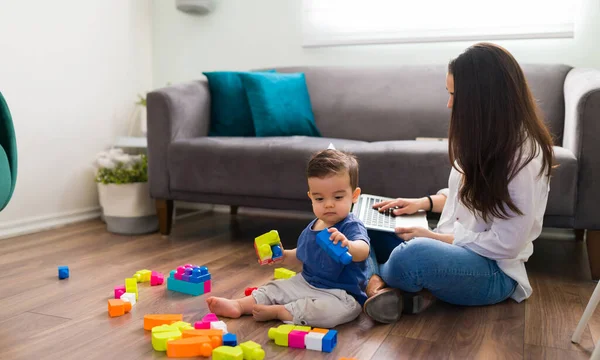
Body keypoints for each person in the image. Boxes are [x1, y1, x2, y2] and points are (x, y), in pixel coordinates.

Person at [363, 42, 555, 324]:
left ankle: (373, 283)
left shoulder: (524, 159)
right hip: (452, 243)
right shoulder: (486, 137)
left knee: (414, 255)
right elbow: (463, 198)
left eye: (455, 95)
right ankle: (391, 289)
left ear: (482, 97)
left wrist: (434, 238)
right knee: (363, 221)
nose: (449, 103)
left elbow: (507, 245)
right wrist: (422, 203)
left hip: (492, 271)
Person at [207, 149, 371, 328]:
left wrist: (348, 245)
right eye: (319, 198)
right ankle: (239, 305)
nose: (329, 204)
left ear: (354, 196)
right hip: (306, 282)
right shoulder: (313, 227)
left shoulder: (351, 225)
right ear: (311, 197)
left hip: (342, 294)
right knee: (275, 287)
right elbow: (301, 255)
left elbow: (363, 251)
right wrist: (284, 256)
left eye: (338, 197)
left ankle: (282, 311)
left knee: (332, 312)